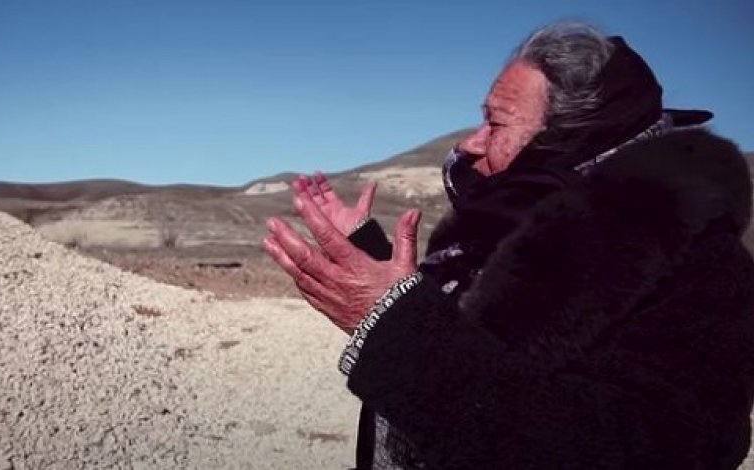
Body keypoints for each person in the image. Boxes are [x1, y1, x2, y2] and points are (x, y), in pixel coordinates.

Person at [263, 22, 754, 469]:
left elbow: (637, 447)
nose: (470, 144)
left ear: (572, 138)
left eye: (495, 124)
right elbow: (457, 329)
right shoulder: (508, 226)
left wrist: (394, 328)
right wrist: (370, 257)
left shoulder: (698, 269)